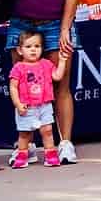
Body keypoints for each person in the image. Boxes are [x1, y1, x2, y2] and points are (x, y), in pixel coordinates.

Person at [0, 0, 81, 165]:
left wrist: (66, 29)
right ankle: (26, 143)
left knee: (60, 85)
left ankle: (65, 142)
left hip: (54, 21)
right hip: (22, 22)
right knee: (22, 85)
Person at [9, 29, 73, 167]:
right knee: (25, 134)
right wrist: (18, 104)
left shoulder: (46, 64)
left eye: (37, 46)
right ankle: (22, 155)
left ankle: (50, 154)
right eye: (28, 47)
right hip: (26, 106)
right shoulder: (18, 68)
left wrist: (62, 61)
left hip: (44, 105)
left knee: (47, 130)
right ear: (20, 50)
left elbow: (57, 76)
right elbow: (13, 87)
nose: (33, 50)